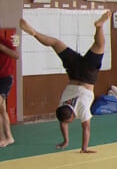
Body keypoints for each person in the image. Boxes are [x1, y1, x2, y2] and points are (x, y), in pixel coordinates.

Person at [19, 11, 111, 153]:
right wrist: (65, 141)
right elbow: (63, 122)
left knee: (100, 46)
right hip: (74, 71)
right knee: (56, 43)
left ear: (71, 117)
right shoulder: (62, 105)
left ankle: (99, 27)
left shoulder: (81, 110)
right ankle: (35, 33)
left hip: (87, 75)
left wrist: (84, 148)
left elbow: (86, 128)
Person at [0, 32, 19, 147]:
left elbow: (16, 55)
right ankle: (6, 137)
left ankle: (7, 137)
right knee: (2, 110)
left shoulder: (3, 41)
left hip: (5, 78)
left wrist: (1, 47)